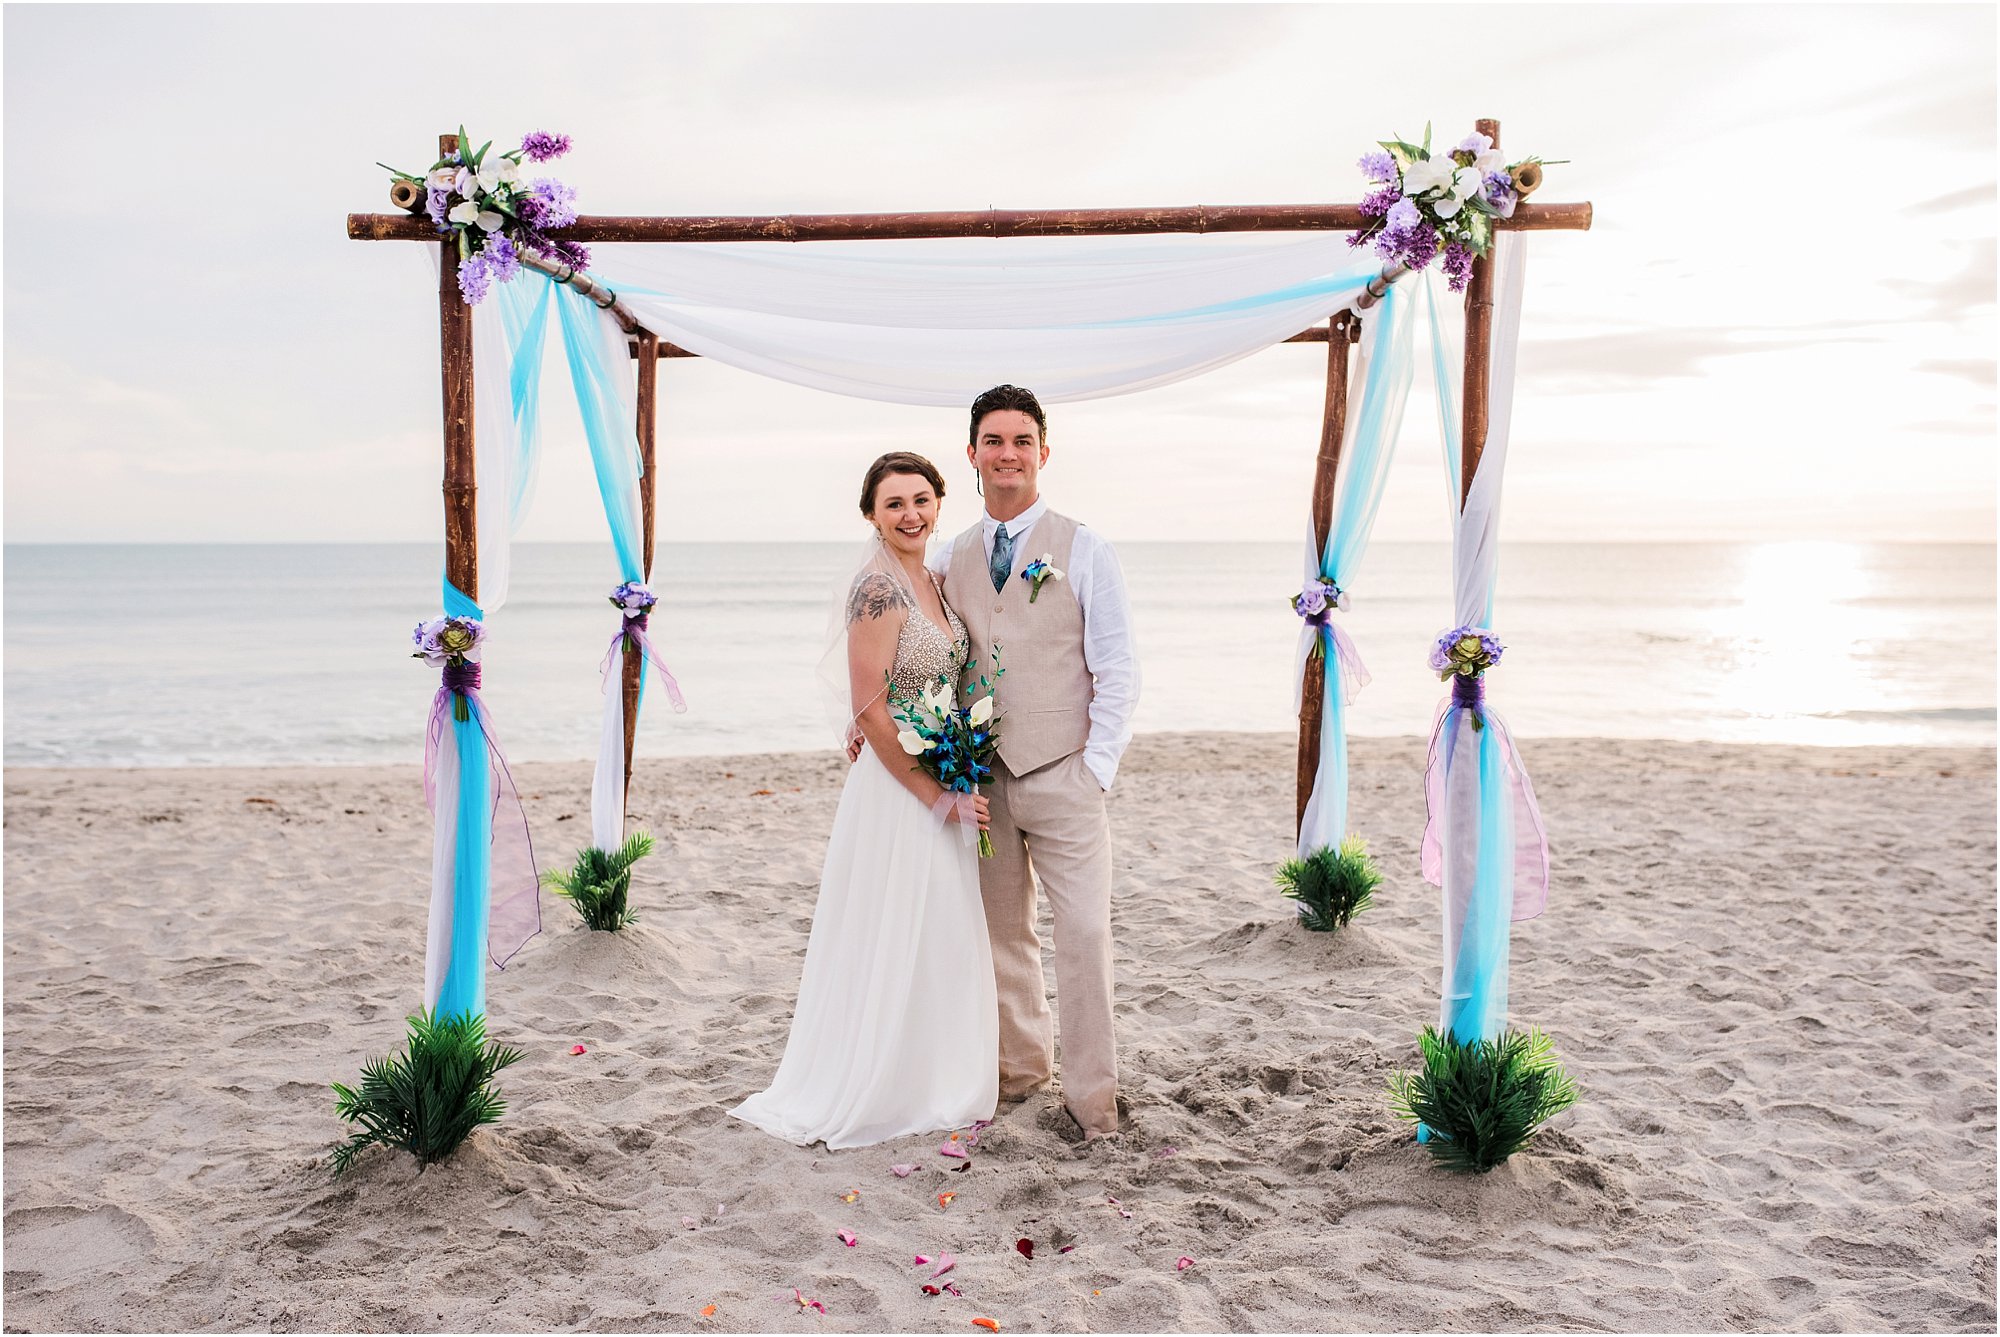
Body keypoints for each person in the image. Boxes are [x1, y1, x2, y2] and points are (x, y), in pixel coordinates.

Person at [729, 452, 998, 1149]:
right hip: (899, 789)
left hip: (937, 766)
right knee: (891, 927)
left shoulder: (931, 579)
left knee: (931, 928)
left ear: (940, 502)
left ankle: (928, 1075)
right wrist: (936, 794)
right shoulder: (877, 590)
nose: (910, 514)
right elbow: (871, 710)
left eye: (920, 499)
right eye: (893, 504)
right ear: (871, 515)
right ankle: (880, 1081)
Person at [932, 384, 1139, 1141]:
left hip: (1064, 772)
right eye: (994, 440)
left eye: (1022, 440)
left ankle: (1092, 1099)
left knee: (1082, 932)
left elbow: (1117, 667)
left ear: (1043, 453)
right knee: (1000, 933)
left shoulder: (1085, 547)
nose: (1007, 454)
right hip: (983, 778)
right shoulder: (950, 556)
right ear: (973, 454)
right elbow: (934, 663)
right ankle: (1021, 1075)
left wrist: (1096, 768)